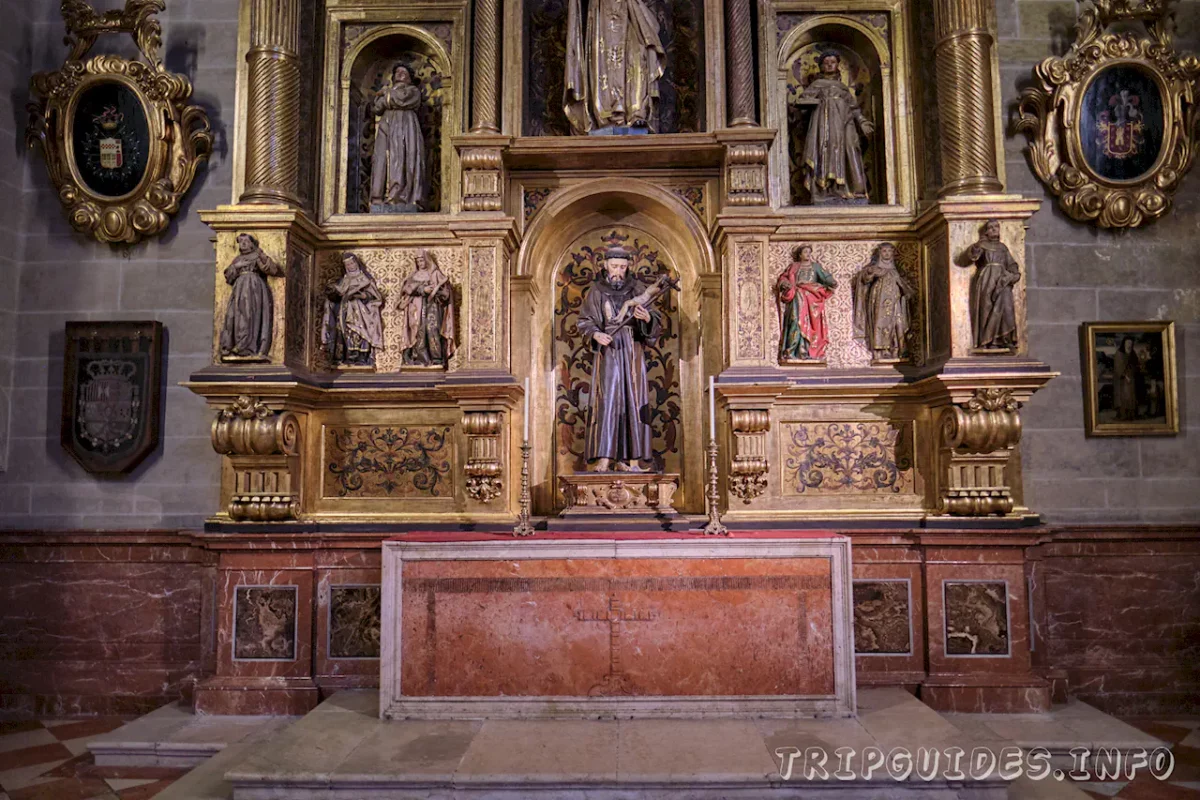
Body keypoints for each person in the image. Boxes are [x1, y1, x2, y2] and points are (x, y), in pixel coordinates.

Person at [576, 247, 663, 472]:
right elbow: (584, 321)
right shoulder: (596, 291)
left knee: (632, 401)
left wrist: (646, 319)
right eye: (614, 266)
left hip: (632, 350)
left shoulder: (637, 289)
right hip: (609, 351)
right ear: (605, 266)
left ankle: (632, 460)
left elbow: (654, 319)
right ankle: (604, 457)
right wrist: (595, 334)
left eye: (623, 267)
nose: (618, 271)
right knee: (608, 400)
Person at [563, 0, 665, 135]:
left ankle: (636, 113)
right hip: (603, 12)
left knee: (637, 58)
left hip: (634, 10)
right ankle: (609, 117)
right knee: (605, 61)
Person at [795, 50, 874, 204]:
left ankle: (852, 190)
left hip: (846, 124)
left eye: (833, 62)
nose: (830, 65)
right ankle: (825, 191)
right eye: (826, 62)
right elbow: (802, 100)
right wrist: (822, 103)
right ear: (821, 66)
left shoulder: (843, 88)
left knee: (851, 148)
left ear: (838, 65)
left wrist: (863, 122)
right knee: (827, 151)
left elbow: (854, 108)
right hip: (825, 125)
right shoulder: (817, 85)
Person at [370, 63, 426, 210]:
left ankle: (401, 197)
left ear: (410, 77)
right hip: (386, 126)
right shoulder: (389, 92)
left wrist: (385, 94)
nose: (401, 74)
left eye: (405, 72)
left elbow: (402, 99)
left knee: (402, 158)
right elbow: (377, 107)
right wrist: (386, 97)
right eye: (398, 72)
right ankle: (378, 197)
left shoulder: (412, 91)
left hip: (406, 127)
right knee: (382, 159)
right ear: (393, 76)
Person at [219, 233, 284, 360]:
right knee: (236, 315)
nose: (243, 243)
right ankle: (235, 344)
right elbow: (228, 276)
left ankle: (247, 346)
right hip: (239, 288)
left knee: (249, 314)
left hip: (253, 287)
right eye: (240, 241)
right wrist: (236, 267)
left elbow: (272, 270)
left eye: (246, 241)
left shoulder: (257, 255)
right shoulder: (237, 259)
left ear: (252, 243)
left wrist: (261, 256)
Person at [962, 219, 1020, 350]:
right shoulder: (982, 245)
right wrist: (977, 246)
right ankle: (989, 340)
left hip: (1003, 280)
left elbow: (1011, 264)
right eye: (991, 227)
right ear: (986, 231)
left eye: (996, 227)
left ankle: (1005, 338)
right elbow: (971, 257)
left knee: (1006, 307)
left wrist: (1013, 274)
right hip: (987, 280)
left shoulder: (1003, 247)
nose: (994, 229)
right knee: (987, 308)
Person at [852, 243, 914, 361]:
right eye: (884, 251)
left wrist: (906, 292)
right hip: (879, 301)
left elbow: (905, 288)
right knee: (880, 322)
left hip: (896, 302)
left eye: (889, 251)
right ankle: (880, 350)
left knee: (898, 324)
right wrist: (869, 274)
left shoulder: (896, 271)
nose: (887, 254)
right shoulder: (875, 268)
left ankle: (897, 349)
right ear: (880, 253)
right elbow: (865, 279)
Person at [776, 244, 837, 362]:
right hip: (797, 297)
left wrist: (831, 282)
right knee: (795, 321)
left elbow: (826, 277)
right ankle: (792, 350)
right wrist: (784, 283)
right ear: (800, 255)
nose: (808, 254)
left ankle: (807, 351)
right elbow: (783, 278)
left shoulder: (816, 267)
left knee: (812, 324)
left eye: (809, 252)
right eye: (805, 252)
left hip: (812, 300)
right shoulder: (794, 266)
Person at [322, 252, 385, 366]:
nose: (351, 266)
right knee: (347, 332)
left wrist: (363, 296)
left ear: (357, 263)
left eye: (352, 263)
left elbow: (375, 296)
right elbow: (337, 296)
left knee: (361, 331)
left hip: (362, 312)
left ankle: (362, 356)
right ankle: (349, 354)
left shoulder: (364, 279)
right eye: (348, 265)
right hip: (345, 311)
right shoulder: (343, 280)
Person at [396, 249, 456, 366]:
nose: (420, 263)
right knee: (418, 331)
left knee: (433, 329)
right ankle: (420, 359)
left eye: (422, 260)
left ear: (427, 260)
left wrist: (437, 291)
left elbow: (446, 294)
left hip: (433, 307)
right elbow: (406, 290)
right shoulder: (413, 276)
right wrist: (422, 289)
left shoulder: (435, 274)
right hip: (416, 309)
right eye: (418, 261)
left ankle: (437, 358)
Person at [1113, 337, 1141, 420]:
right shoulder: (1119, 353)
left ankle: (1131, 415)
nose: (1129, 345)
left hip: (1131, 378)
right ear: (1124, 343)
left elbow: (1136, 364)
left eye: (1131, 343)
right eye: (1127, 343)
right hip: (1122, 379)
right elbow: (1118, 366)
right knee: (1124, 397)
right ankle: (1123, 415)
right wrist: (1125, 376)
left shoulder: (1133, 353)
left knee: (1132, 397)